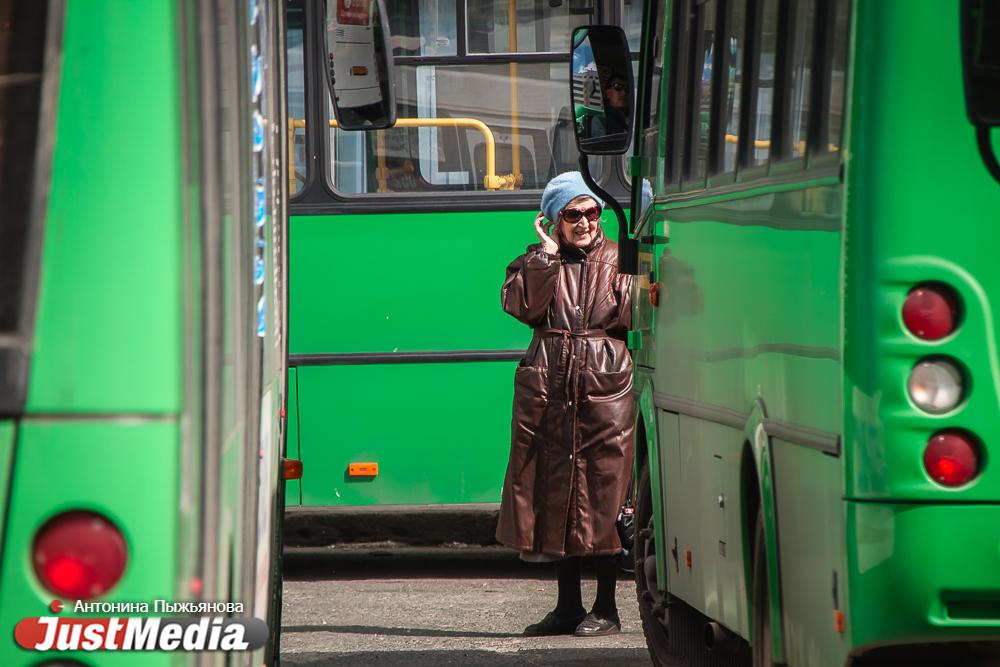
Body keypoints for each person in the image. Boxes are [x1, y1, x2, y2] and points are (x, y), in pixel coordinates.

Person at [496, 171, 636, 637]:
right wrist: (547, 256)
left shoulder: (620, 257)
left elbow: (636, 314)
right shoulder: (537, 260)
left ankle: (607, 608)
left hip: (605, 388)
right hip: (550, 388)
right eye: (572, 214)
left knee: (604, 494)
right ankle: (568, 607)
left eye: (591, 212)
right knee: (557, 494)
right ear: (554, 220)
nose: (584, 222)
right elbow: (523, 308)